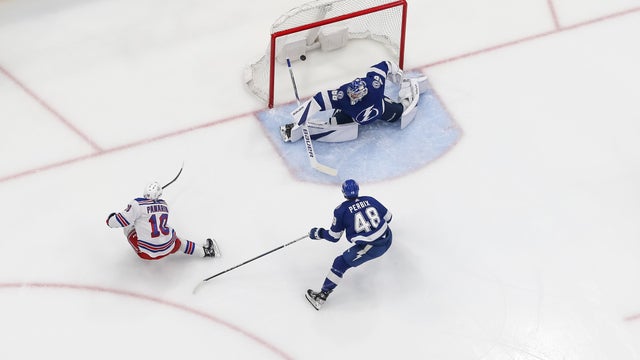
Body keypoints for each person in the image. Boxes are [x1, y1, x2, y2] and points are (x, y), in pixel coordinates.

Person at [280, 60, 425, 143]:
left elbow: (384, 65)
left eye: (354, 96)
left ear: (362, 94)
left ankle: (407, 93)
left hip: (377, 110)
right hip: (360, 112)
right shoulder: (350, 93)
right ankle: (298, 129)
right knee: (334, 125)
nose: (351, 96)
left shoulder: (366, 89)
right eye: (350, 94)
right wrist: (301, 118)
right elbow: (318, 101)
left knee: (399, 114)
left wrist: (398, 74)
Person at [305, 179, 393, 310]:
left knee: (340, 263)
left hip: (374, 246)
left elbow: (334, 237)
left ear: (343, 193)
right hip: (388, 237)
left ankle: (321, 296)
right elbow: (389, 218)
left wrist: (319, 233)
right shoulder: (370, 199)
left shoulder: (341, 211)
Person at [106, 181, 220, 260]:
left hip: (146, 253)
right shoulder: (164, 205)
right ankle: (206, 252)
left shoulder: (137, 204)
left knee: (129, 225)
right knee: (178, 241)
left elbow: (122, 220)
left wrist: (110, 220)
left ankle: (140, 241)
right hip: (168, 247)